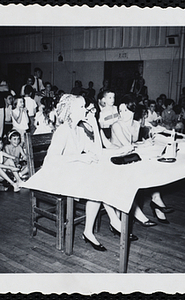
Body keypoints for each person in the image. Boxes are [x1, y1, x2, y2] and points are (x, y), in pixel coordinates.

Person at [44, 94, 137, 252]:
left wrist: (95, 124)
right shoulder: (63, 130)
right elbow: (49, 161)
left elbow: (96, 152)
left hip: (72, 171)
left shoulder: (78, 130)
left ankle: (92, 230)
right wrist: (79, 157)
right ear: (71, 111)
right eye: (81, 107)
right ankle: (112, 222)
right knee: (98, 182)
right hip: (57, 176)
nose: (85, 109)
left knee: (102, 178)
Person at [111, 103, 174, 224]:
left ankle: (156, 199)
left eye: (125, 110)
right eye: (120, 110)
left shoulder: (135, 124)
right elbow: (127, 145)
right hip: (116, 160)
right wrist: (143, 145)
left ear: (132, 111)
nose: (121, 113)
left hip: (129, 158)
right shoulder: (116, 125)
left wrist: (144, 143)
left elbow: (134, 143)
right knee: (142, 170)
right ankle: (140, 211)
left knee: (153, 166)